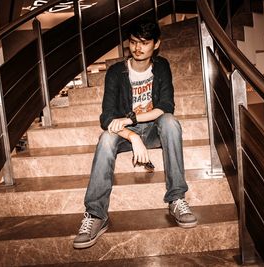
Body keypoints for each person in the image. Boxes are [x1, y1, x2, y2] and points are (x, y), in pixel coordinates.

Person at [73, 19, 197, 249]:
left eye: (144, 43)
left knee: (170, 122)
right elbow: (107, 118)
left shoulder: (161, 67)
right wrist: (133, 135)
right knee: (106, 138)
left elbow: (166, 107)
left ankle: (176, 198)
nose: (138, 48)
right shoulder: (115, 72)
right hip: (125, 133)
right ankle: (96, 214)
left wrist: (132, 120)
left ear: (156, 44)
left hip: (153, 129)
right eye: (133, 42)